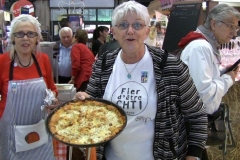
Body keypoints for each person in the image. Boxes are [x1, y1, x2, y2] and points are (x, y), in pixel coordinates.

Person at [75, 1, 207, 160]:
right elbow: (92, 106)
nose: (130, 31)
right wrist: (82, 103)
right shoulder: (104, 64)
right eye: (123, 25)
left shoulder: (170, 66)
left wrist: (194, 155)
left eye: (137, 25)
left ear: (147, 31)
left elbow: (196, 115)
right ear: (114, 32)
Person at [179, 4, 240, 159]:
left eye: (236, 27)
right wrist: (229, 78)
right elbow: (203, 94)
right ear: (214, 24)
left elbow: (201, 80)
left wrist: (221, 73)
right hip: (191, 129)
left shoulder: (204, 45)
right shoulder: (201, 47)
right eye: (231, 26)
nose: (234, 32)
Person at [0, 14, 58, 160]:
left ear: (37, 38)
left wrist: (53, 101)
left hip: (40, 129)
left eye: (31, 34)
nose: (25, 38)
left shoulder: (43, 59)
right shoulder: (2, 62)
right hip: (10, 133)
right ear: (13, 38)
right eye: (20, 34)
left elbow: (52, 89)